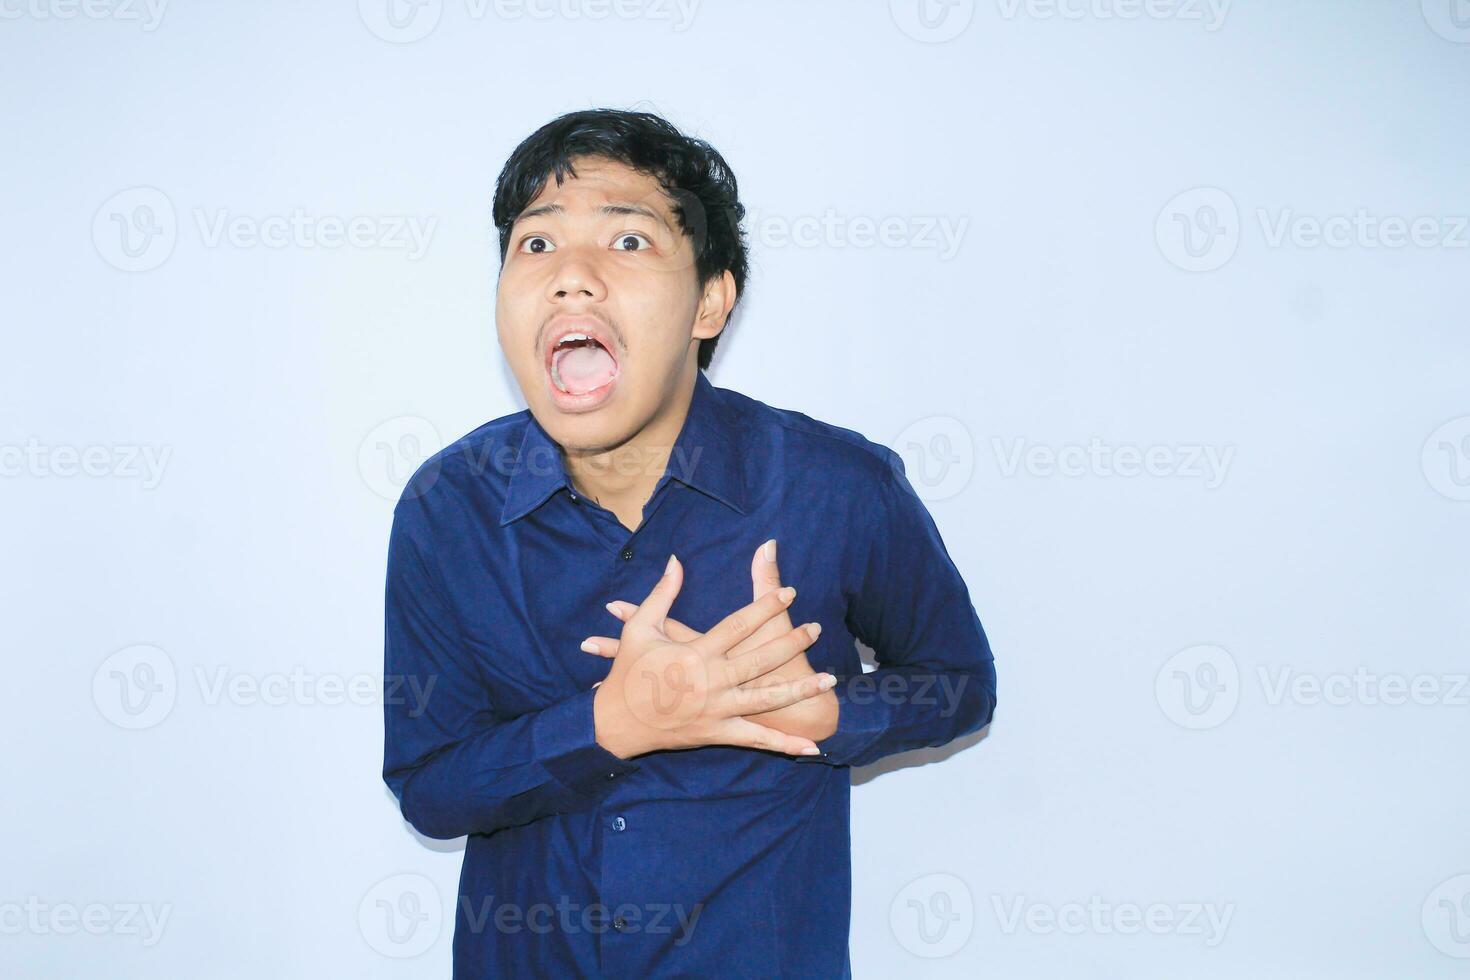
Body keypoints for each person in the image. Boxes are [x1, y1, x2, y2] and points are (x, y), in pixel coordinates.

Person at [381, 107, 997, 978]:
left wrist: (830, 714)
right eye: (537, 245)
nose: (572, 279)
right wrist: (613, 721)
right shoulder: (448, 508)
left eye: (627, 242)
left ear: (711, 299)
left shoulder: (837, 487)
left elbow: (962, 686)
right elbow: (430, 789)